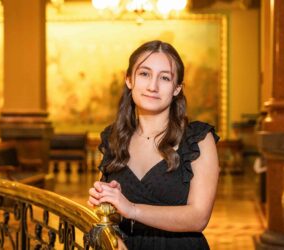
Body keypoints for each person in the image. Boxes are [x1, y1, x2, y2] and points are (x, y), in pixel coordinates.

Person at [88, 40, 220, 250]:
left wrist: (131, 209)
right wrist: (105, 201)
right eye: (144, 74)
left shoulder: (198, 139)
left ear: (177, 89)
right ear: (129, 80)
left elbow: (198, 217)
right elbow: (111, 213)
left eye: (165, 78)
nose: (153, 86)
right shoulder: (113, 137)